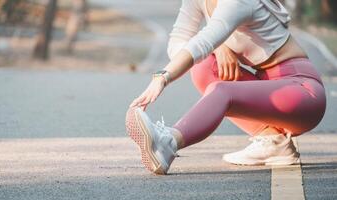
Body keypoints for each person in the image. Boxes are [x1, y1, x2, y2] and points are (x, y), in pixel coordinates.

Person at [125, 0, 326, 175]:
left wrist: (162, 78)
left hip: (302, 92)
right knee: (204, 67)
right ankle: (272, 141)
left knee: (223, 90)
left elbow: (204, 41)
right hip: (269, 88)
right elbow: (178, 41)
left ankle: (167, 144)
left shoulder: (239, 2)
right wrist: (220, 47)